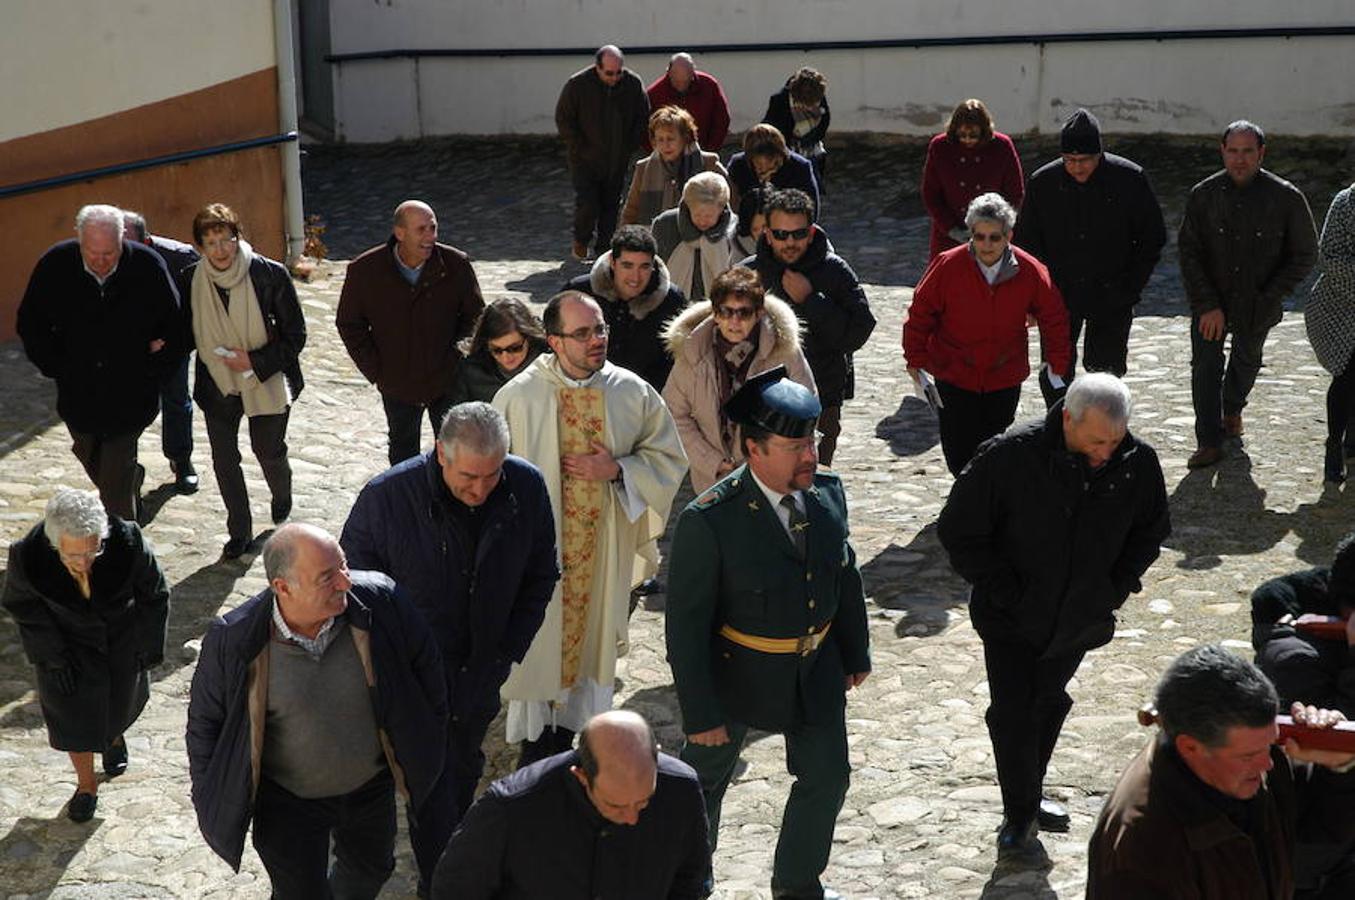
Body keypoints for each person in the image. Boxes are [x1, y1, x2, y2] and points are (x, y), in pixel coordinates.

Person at [938, 373, 1170, 861]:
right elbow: (959, 530)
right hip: (1010, 616)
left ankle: (1029, 789)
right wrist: (1003, 588)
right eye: (1096, 441)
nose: (1106, 451)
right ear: (1068, 418)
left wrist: (1114, 587)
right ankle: (1019, 812)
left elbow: (1151, 530)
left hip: (1079, 615)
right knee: (1013, 712)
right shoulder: (1008, 456)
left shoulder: (1135, 462)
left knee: (1045, 702)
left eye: (1114, 440)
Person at [666, 367, 870, 900]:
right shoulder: (709, 520)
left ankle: (798, 884)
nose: (811, 455)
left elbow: (843, 572)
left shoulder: (827, 492)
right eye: (796, 444)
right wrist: (701, 712)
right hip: (737, 675)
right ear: (754, 449)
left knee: (827, 779)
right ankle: (686, 881)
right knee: (700, 786)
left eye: (813, 441)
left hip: (816, 669)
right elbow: (685, 627)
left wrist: (855, 649)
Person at [340, 402, 560, 889]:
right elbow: (352, 593)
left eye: (491, 474)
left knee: (456, 779)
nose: (480, 489)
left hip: (479, 672)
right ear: (440, 453)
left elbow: (541, 575)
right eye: (468, 476)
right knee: (420, 789)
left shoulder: (524, 487)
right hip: (408, 680)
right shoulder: (386, 499)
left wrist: (506, 652)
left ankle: (442, 880)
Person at [185, 524, 447, 898]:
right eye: (327, 577)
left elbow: (428, 669)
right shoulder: (235, 639)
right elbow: (205, 725)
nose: (344, 583)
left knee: (372, 870)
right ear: (283, 587)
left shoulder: (380, 602)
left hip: (368, 788)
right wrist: (210, 793)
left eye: (343, 567)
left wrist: (429, 736)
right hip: (286, 802)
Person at [491, 291, 687, 766]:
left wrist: (618, 470)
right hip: (539, 557)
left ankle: (581, 740)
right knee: (538, 647)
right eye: (582, 333)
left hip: (602, 551)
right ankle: (536, 748)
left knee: (591, 642)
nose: (596, 340)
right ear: (554, 341)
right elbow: (488, 474)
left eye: (599, 329)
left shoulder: (631, 392)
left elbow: (668, 457)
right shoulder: (518, 396)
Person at [1087, 644, 1355, 899]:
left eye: (1271, 744)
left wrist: (1339, 765)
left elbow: (1320, 835)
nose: (1268, 765)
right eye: (1249, 755)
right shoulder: (1142, 846)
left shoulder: (1251, 760)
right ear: (1191, 747)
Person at [1, 487, 169, 823]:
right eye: (74, 555)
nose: (85, 563)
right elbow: (22, 605)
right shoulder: (28, 556)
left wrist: (148, 645)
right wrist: (51, 654)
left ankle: (114, 738)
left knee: (118, 707)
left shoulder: (127, 540)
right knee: (72, 723)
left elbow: (155, 592)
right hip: (65, 653)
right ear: (55, 544)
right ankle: (86, 785)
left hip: (120, 644)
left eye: (93, 551)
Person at [431, 710, 710, 898]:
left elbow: (691, 878)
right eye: (615, 805)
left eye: (644, 802)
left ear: (655, 756)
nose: (632, 818)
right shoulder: (510, 809)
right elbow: (454, 891)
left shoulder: (681, 789)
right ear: (582, 776)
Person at [17, 204, 183, 521]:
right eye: (94, 253)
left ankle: (125, 552)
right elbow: (30, 322)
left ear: (122, 240)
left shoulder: (147, 266)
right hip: (78, 393)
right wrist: (53, 364)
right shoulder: (56, 264)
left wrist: (153, 368)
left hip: (131, 395)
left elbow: (175, 327)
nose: (102, 261)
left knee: (115, 490)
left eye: (110, 252)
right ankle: (129, 480)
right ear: (80, 240)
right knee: (88, 451)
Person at [1179, 120, 1319, 469]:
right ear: (1222, 151)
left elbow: (1305, 253)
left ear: (1261, 154)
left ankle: (1233, 408)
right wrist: (1207, 304)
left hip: (1259, 298)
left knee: (1247, 359)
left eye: (1247, 152)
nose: (1239, 160)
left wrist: (1273, 293)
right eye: (1233, 151)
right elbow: (1189, 253)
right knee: (1206, 366)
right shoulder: (1203, 195)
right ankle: (1208, 440)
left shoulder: (1286, 197)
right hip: (1211, 297)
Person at [903, 192, 1070, 476]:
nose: (986, 244)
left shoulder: (1030, 270)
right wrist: (915, 359)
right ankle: (970, 495)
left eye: (995, 237)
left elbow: (1054, 316)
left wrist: (1057, 361)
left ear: (1008, 236)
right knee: (958, 450)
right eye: (979, 237)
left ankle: (985, 498)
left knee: (995, 444)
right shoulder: (947, 265)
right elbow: (920, 313)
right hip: (954, 373)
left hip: (1003, 374)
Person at [1016, 108, 1167, 405]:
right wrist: (1033, 298)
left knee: (1106, 377)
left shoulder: (1130, 179)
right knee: (1056, 372)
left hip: (1112, 295)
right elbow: (1027, 244)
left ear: (1099, 154)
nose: (1077, 167)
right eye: (1069, 160)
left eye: (1084, 160)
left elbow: (1152, 238)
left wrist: (1130, 287)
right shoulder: (1043, 183)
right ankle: (1059, 429)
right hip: (1059, 295)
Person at [183, 203, 305, 560]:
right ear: (200, 247)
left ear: (238, 238)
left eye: (226, 239)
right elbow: (183, 329)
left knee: (268, 451)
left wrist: (252, 360)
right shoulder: (191, 278)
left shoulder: (270, 274)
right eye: (211, 242)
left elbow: (295, 335)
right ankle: (240, 530)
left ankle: (282, 492)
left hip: (266, 379)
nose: (221, 249)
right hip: (218, 384)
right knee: (224, 460)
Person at [336, 199, 486, 465]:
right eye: (421, 230)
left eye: (433, 228)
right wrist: (376, 370)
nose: (430, 237)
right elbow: (350, 324)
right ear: (400, 233)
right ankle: (408, 504)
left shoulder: (455, 264)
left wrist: (457, 358)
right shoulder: (365, 271)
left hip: (446, 378)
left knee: (455, 449)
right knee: (403, 453)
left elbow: (476, 316)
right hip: (397, 382)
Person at [742, 188, 875, 466]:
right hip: (759, 398)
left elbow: (858, 331)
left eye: (798, 234)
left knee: (812, 481)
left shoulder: (835, 271)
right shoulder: (747, 275)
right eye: (780, 234)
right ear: (767, 233)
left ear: (811, 232)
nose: (789, 242)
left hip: (821, 397)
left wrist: (811, 301)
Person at [662, 267, 816, 492]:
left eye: (743, 313)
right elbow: (673, 414)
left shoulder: (784, 352)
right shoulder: (693, 352)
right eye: (726, 311)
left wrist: (766, 458)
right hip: (713, 481)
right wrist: (712, 461)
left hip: (771, 477)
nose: (734, 321)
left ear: (759, 313)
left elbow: (807, 408)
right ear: (715, 314)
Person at [122, 209, 202, 495]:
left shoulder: (180, 258)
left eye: (125, 236)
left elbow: (198, 310)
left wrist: (170, 342)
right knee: (126, 406)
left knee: (177, 401)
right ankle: (125, 468)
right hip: (130, 350)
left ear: (144, 237)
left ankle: (181, 461)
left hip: (172, 346)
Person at [556, 44, 650, 261]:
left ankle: (604, 249)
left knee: (611, 204)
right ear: (597, 68)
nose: (614, 77)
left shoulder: (632, 84)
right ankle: (581, 240)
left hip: (617, 157)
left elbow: (642, 115)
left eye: (618, 72)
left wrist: (630, 144)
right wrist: (578, 146)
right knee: (587, 202)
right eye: (609, 73)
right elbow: (564, 119)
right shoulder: (578, 85)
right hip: (584, 159)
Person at [565, 224, 687, 390]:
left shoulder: (672, 301)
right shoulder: (578, 293)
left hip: (645, 398)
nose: (635, 277)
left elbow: (678, 360)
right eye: (627, 266)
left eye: (644, 267)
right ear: (613, 263)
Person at [921, 98, 1025, 260]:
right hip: (948, 235)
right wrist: (951, 229)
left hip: (991, 238)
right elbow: (931, 194)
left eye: (973, 135)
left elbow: (1015, 192)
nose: (967, 140)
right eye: (962, 135)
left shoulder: (1001, 147)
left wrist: (997, 230)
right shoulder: (940, 147)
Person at [1305, 181, 1355, 482]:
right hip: (1340, 306)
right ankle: (1334, 443)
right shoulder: (1346, 203)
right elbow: (1330, 256)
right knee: (1347, 373)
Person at [620, 105, 728, 228]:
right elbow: (631, 212)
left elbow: (728, 201)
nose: (665, 145)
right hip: (654, 239)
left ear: (684, 138)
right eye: (660, 139)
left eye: (670, 139)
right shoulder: (643, 168)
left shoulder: (708, 163)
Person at [651, 170, 741, 302]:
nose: (703, 221)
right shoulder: (665, 226)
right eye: (697, 215)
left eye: (709, 216)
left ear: (722, 210)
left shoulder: (736, 229)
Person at [728, 125, 820, 248]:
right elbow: (731, 203)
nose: (765, 167)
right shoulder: (738, 165)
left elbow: (811, 210)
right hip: (748, 233)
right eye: (759, 164)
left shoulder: (799, 167)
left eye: (772, 163)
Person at [448, 298, 550, 405]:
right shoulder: (471, 371)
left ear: (529, 338)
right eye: (496, 350)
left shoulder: (550, 361)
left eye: (515, 348)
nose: (505, 357)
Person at [645, 52, 731, 153]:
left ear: (693, 73)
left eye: (686, 82)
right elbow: (645, 129)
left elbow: (722, 119)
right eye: (677, 82)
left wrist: (710, 149)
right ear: (668, 73)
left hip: (703, 149)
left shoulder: (709, 86)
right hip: (665, 154)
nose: (681, 86)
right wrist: (659, 152)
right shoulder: (654, 93)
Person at [762, 67, 831, 190]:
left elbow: (825, 120)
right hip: (787, 156)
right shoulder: (780, 101)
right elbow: (772, 133)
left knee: (814, 188)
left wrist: (813, 138)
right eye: (806, 103)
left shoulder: (818, 94)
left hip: (813, 152)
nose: (811, 107)